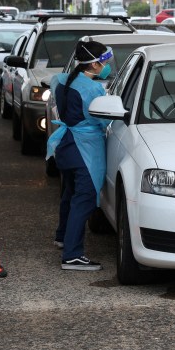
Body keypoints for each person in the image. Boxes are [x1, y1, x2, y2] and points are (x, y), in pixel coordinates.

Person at [47, 40, 112, 271]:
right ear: (94, 65)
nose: (107, 65)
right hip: (84, 149)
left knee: (69, 194)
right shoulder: (93, 89)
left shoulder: (62, 81)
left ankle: (63, 237)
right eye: (105, 61)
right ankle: (72, 255)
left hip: (65, 145)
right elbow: (104, 118)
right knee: (83, 200)